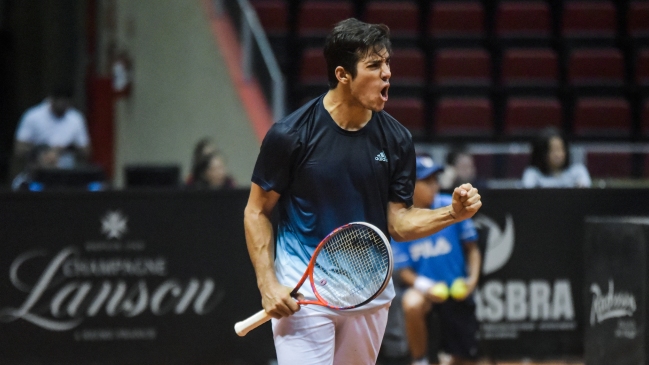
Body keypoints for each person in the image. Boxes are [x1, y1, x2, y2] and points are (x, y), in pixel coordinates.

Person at [243, 18, 482, 365]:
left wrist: (453, 214)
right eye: (374, 65)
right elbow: (256, 211)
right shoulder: (291, 135)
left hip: (368, 292)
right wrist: (268, 284)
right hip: (304, 292)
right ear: (343, 74)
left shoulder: (397, 140)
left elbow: (397, 223)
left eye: (387, 63)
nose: (387, 73)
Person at [392, 155, 482, 365]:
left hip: (457, 289)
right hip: (426, 291)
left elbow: (473, 250)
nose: (434, 186)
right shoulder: (401, 219)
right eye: (427, 181)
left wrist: (472, 281)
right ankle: (420, 361)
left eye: (435, 180)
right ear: (411, 186)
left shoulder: (452, 207)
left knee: (465, 359)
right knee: (411, 303)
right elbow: (403, 270)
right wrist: (427, 286)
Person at [13, 86, 91, 171]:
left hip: (66, 170)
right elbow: (19, 149)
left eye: (66, 102)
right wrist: (41, 151)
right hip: (38, 168)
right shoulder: (33, 116)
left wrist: (65, 150)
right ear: (51, 100)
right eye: (60, 101)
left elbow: (86, 151)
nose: (62, 104)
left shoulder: (76, 118)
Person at [521, 128, 591, 188]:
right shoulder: (533, 174)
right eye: (553, 150)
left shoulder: (578, 171)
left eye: (561, 149)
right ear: (542, 153)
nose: (558, 155)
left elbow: (586, 190)